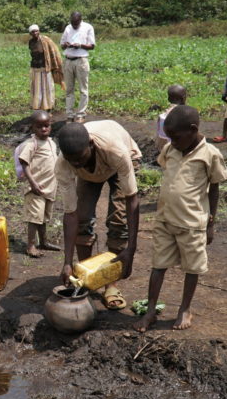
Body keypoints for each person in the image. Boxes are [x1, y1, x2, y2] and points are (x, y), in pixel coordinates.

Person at [134, 105, 227, 332]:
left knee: (192, 268)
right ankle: (150, 311)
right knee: (158, 265)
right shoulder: (170, 149)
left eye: (176, 137)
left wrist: (211, 223)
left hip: (192, 224)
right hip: (165, 220)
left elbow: (214, 189)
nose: (173, 141)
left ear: (193, 130)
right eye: (170, 138)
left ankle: (185, 308)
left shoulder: (210, 155)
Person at [56, 121, 142, 310]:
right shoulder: (64, 163)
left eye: (80, 158)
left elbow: (131, 200)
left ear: (91, 145)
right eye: (73, 161)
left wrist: (131, 249)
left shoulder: (116, 151)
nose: (76, 164)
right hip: (90, 174)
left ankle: (111, 285)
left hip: (119, 163)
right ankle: (87, 277)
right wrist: (68, 262)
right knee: (83, 220)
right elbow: (71, 214)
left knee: (118, 219)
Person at [18, 110, 61, 257]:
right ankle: (30, 246)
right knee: (34, 218)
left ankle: (43, 242)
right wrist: (33, 183)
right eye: (39, 127)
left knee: (43, 217)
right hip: (35, 187)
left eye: (47, 126)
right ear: (32, 128)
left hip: (49, 187)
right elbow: (24, 163)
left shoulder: (51, 142)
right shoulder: (31, 144)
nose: (44, 129)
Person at [60, 12, 95, 123]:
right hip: (68, 60)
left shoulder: (88, 27)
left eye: (76, 23)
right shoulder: (68, 28)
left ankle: (81, 114)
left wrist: (79, 45)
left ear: (80, 20)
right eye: (73, 23)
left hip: (81, 60)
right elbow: (61, 44)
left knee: (83, 89)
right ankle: (70, 115)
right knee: (69, 90)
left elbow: (92, 46)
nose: (74, 25)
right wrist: (66, 44)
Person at [27, 24, 64, 111]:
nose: (35, 33)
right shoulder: (31, 42)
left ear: (39, 31)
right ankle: (38, 107)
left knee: (47, 88)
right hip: (35, 69)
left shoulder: (46, 40)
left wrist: (55, 66)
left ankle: (48, 108)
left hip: (45, 68)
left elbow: (54, 51)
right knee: (36, 89)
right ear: (30, 34)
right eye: (33, 32)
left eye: (36, 31)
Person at [156, 85, 187, 151]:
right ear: (183, 98)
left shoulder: (161, 116)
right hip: (176, 150)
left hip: (162, 149)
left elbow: (159, 134)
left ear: (169, 99)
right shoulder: (185, 115)